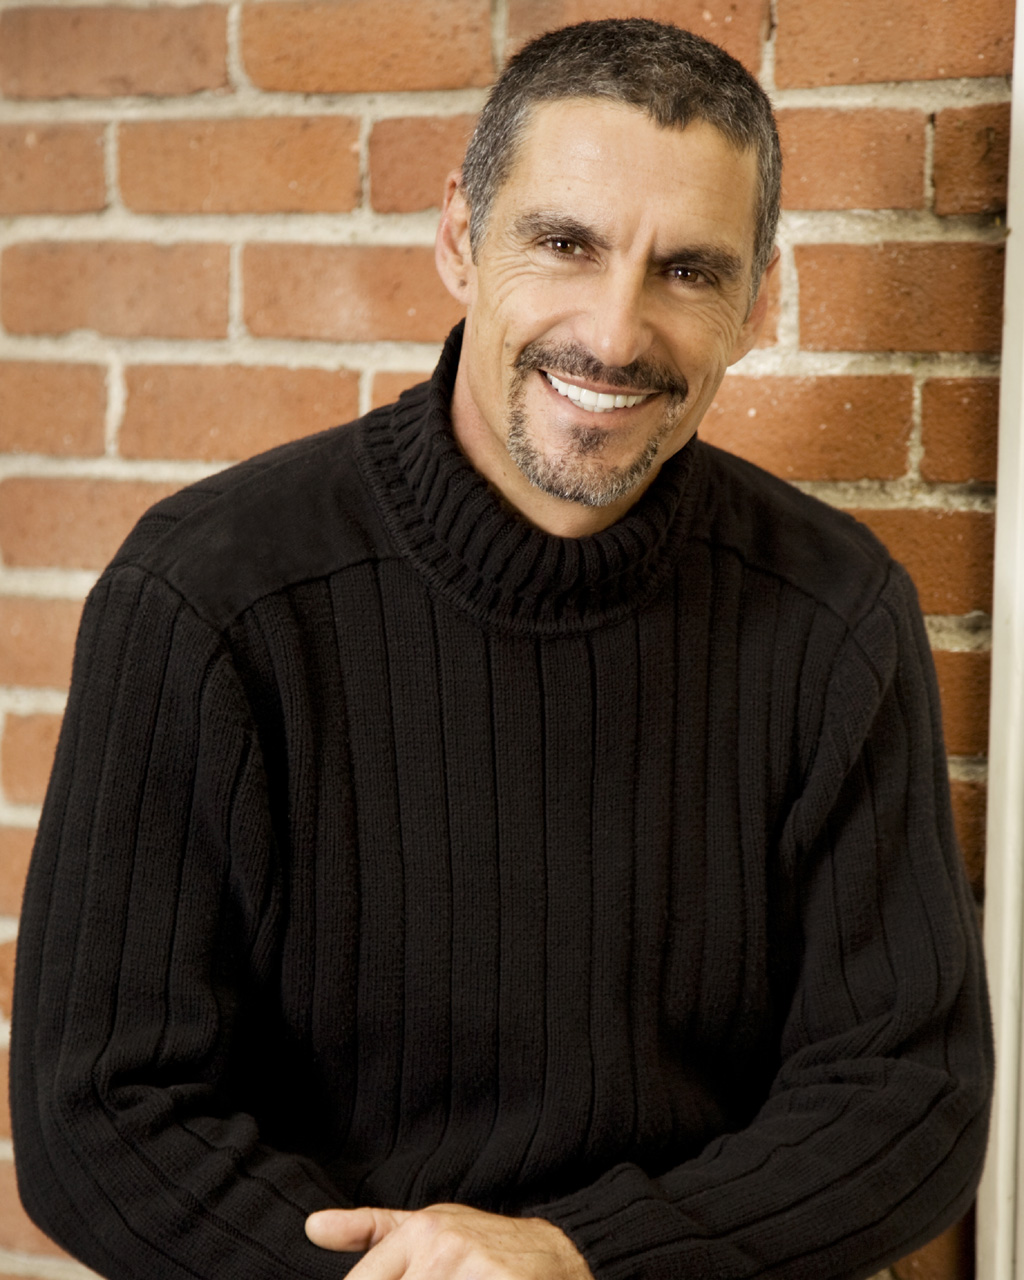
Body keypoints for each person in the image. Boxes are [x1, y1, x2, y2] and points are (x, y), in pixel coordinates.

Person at [11, 18, 992, 1280]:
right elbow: (97, 1112)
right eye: (566, 243)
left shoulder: (833, 612)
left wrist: (577, 1257)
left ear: (753, 305)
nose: (615, 332)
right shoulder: (208, 595)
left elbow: (907, 1094)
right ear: (460, 240)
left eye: (687, 270)